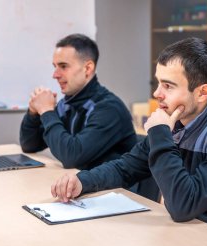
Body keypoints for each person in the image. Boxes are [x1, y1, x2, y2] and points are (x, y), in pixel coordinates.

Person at [51, 37, 207, 246]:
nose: (157, 93)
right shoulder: (181, 116)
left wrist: (161, 133)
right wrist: (82, 181)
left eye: (168, 86)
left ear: (202, 92)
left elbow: (184, 204)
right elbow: (127, 166)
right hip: (194, 228)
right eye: (158, 83)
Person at [20, 34, 137, 170]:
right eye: (55, 67)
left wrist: (46, 111)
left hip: (114, 190)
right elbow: (29, 145)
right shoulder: (67, 104)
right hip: (83, 184)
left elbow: (72, 158)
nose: (55, 75)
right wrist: (33, 113)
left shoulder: (109, 109)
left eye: (63, 66)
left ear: (87, 68)